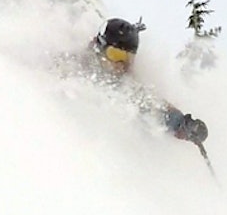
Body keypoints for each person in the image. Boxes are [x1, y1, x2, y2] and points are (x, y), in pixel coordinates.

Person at [84, 18, 209, 146]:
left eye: (128, 58)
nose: (121, 65)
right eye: (116, 55)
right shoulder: (76, 68)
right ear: (99, 47)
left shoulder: (126, 87)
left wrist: (180, 124)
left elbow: (154, 105)